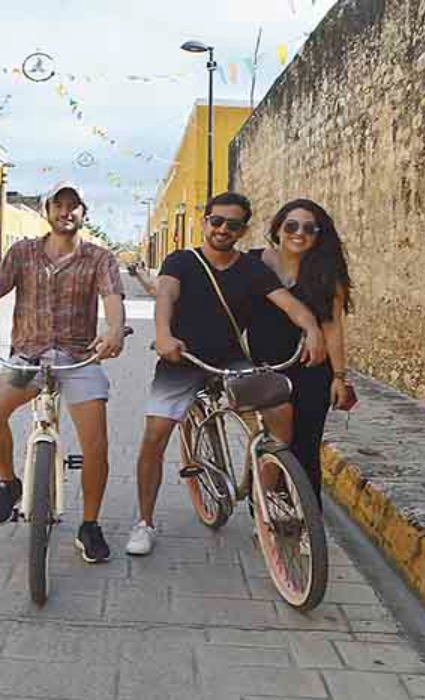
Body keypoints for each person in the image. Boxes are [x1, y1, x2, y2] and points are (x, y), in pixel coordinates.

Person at [126, 192, 327, 557]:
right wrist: (163, 334)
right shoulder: (182, 261)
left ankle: (260, 502)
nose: (222, 229)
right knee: (155, 434)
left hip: (232, 361)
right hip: (182, 360)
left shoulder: (253, 271)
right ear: (205, 221)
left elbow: (290, 304)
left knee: (281, 414)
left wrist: (312, 328)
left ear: (243, 229)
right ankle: (144, 522)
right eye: (216, 221)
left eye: (232, 225)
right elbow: (166, 297)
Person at [0, 182, 126, 564]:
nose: (66, 212)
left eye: (74, 206)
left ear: (85, 212)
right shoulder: (22, 252)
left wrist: (114, 330)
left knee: (96, 444)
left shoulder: (99, 258)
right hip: (29, 356)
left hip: (79, 356)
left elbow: (112, 298)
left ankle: (90, 525)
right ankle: (8, 482)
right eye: (59, 205)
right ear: (47, 211)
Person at [247, 199, 354, 503]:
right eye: (291, 225)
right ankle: (264, 511)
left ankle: (308, 524)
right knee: (271, 440)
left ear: (318, 235)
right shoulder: (253, 263)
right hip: (263, 369)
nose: (299, 233)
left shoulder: (324, 274)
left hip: (310, 369)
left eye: (309, 228)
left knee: (306, 448)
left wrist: (339, 376)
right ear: (278, 228)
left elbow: (333, 326)